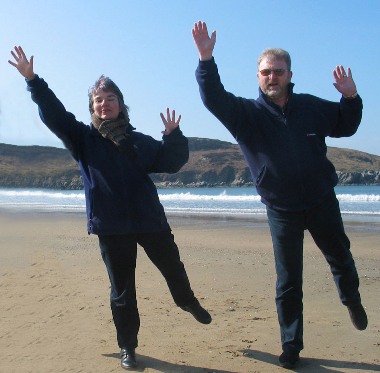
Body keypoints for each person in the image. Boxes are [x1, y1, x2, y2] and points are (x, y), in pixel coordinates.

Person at [9, 45, 211, 370]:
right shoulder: (82, 139)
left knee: (173, 268)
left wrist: (174, 136)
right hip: (112, 226)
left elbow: (172, 162)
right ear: (93, 107)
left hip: (150, 220)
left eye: (111, 98)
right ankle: (128, 348)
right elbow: (55, 114)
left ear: (121, 104)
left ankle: (186, 301)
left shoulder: (139, 140)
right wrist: (34, 81)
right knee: (122, 290)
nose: (105, 104)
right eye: (98, 100)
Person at [192, 21, 367, 369]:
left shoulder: (311, 106)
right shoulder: (245, 115)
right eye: (266, 72)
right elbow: (213, 98)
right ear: (258, 76)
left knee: (341, 259)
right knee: (289, 281)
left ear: (289, 74)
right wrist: (206, 59)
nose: (272, 77)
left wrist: (350, 97)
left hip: (320, 200)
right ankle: (291, 346)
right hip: (281, 209)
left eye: (278, 72)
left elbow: (346, 125)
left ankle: (351, 298)